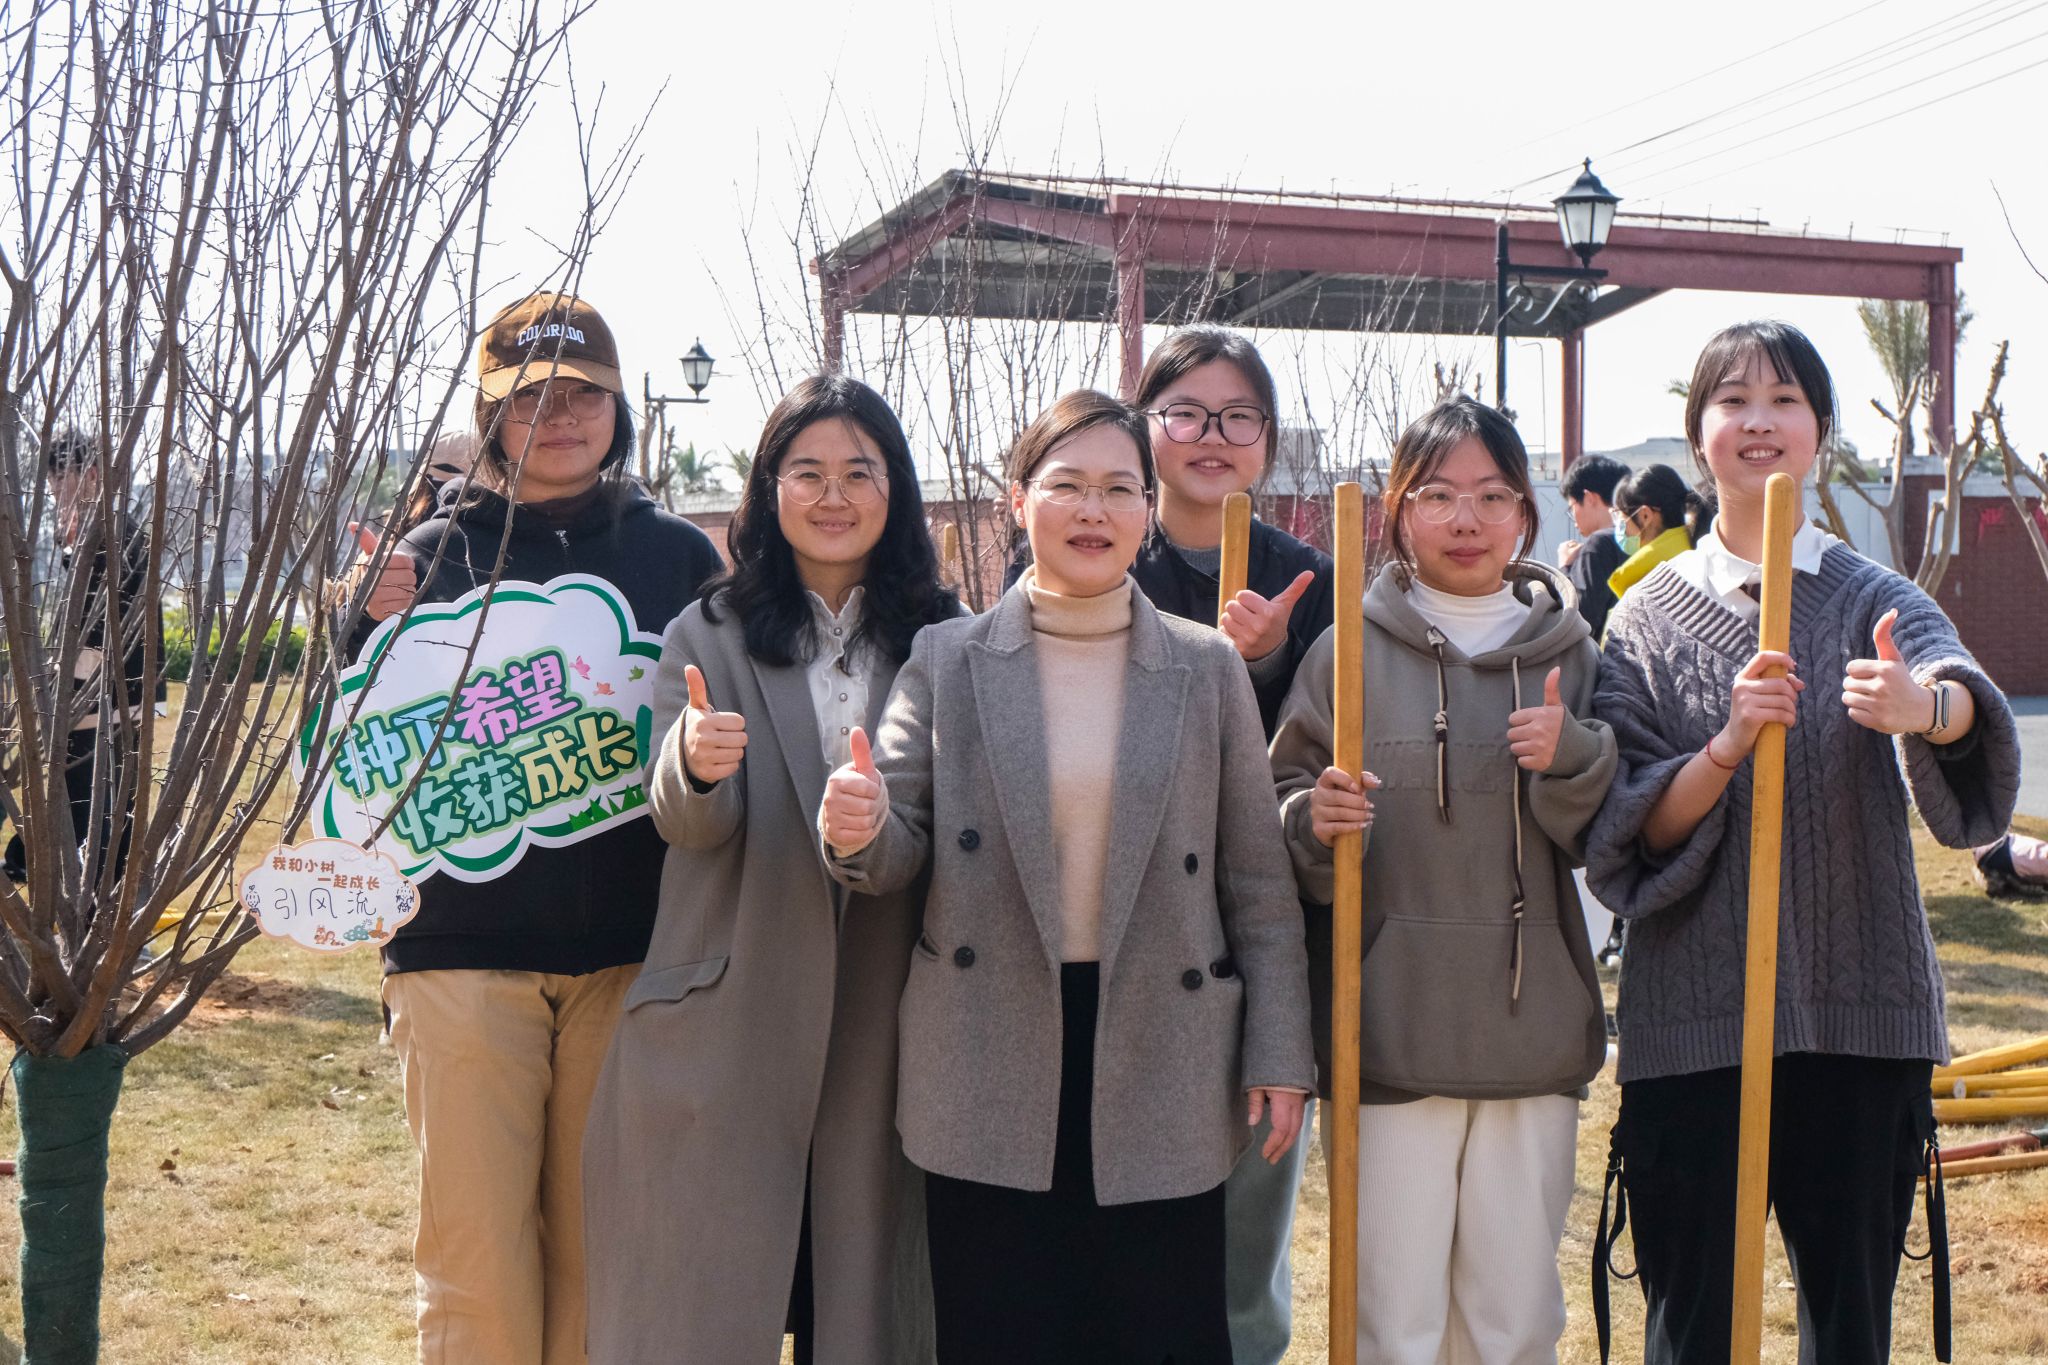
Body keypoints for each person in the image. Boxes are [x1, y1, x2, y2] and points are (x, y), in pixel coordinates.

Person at [822, 389, 1314, 1365]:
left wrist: (1278, 1050)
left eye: (1119, 489)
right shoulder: (947, 659)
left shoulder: (1206, 666)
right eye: (1066, 485)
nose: (1094, 511)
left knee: (1163, 1334)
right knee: (1002, 1334)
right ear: (1017, 501)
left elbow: (1257, 884)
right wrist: (858, 824)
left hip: (1163, 1043)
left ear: (1146, 508)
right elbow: (896, 841)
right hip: (988, 1045)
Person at [1585, 320, 2021, 1365]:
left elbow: (1959, 693)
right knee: (1689, 1326)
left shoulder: (1875, 597)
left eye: (1785, 400)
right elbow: (1632, 825)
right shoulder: (1642, 622)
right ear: (1697, 431)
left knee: (1848, 1326)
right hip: (1693, 1025)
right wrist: (1726, 745)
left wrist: (1922, 708)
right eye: (1732, 399)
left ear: (1819, 429)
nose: (1759, 421)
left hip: (1857, 1022)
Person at [356, 292, 724, 1365]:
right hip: (457, 953)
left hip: (633, 955)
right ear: (488, 414)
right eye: (530, 398)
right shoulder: (424, 558)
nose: (560, 417)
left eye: (584, 394)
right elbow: (357, 749)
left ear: (620, 409)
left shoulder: (681, 559)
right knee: (475, 1267)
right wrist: (356, 624)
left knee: (606, 1263)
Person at [581, 375, 957, 1364]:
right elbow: (683, 822)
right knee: (702, 1307)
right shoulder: (707, 630)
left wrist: (874, 826)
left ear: (895, 489)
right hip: (731, 1006)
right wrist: (696, 765)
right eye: (807, 472)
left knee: (869, 1307)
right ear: (768, 488)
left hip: (886, 1011)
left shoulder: (949, 638)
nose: (833, 496)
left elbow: (951, 825)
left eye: (859, 472)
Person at [1271, 395, 1616, 1365]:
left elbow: (1616, 834)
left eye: (1492, 495)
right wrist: (1312, 820)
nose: (1466, 519)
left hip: (1530, 1035)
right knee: (1392, 1321)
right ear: (1397, 510)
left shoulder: (1572, 653)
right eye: (1437, 495)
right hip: (1385, 1032)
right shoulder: (1345, 650)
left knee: (1514, 1320)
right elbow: (1277, 809)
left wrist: (1574, 756)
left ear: (1525, 514)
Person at [1010, 325, 1331, 1361]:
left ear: (1268, 439)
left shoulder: (1306, 579)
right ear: (1143, 427)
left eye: (1239, 417)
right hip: (1098, 948)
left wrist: (1258, 669)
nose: (1212, 437)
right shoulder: (1094, 546)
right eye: (1185, 413)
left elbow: (1312, 769)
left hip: (1246, 943)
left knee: (1241, 1254)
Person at [3, 429, 165, 887]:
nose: (55, 491)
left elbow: (101, 626)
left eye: (62, 479)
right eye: (52, 482)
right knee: (100, 801)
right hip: (110, 692)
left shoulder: (111, 536)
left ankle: (47, 875)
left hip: (101, 693)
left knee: (85, 800)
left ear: (91, 476)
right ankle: (66, 878)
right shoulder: (109, 531)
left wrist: (63, 692)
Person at [1604, 463, 1711, 604]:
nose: (1617, 524)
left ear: (1645, 515)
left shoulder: (1645, 577)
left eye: (1619, 515)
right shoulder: (1698, 551)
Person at [1559, 453, 1630, 639]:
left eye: (1572, 507)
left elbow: (1579, 619)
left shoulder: (1598, 544)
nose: (1574, 517)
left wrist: (1565, 567)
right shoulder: (1640, 538)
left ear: (1589, 498)